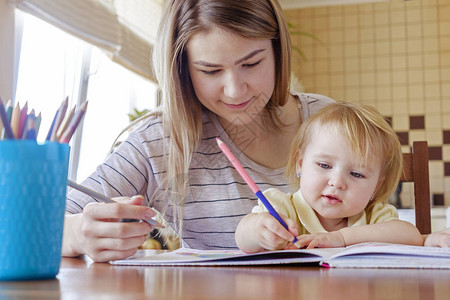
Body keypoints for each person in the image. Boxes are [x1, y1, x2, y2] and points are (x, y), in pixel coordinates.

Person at [62, 0, 335, 262]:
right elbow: (41, 223)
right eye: (211, 71)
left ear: (277, 51)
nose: (235, 90)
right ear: (183, 71)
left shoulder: (331, 121)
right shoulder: (160, 141)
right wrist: (77, 233)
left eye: (251, 64)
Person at [235, 102, 424, 253]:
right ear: (300, 163)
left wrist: (341, 238)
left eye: (357, 174)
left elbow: (411, 236)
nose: (337, 182)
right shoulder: (283, 208)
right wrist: (258, 231)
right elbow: (243, 239)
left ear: (376, 185)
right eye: (324, 165)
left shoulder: (373, 215)